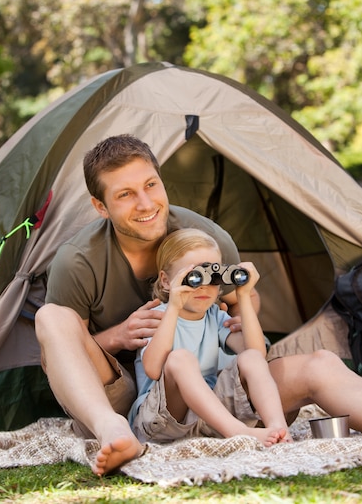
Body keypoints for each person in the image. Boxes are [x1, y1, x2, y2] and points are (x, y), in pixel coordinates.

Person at [35, 133, 362, 477]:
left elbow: (243, 297)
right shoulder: (79, 261)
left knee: (321, 363)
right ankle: (112, 432)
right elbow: (58, 352)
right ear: (101, 206)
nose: (146, 204)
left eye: (151, 185)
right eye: (126, 194)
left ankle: (264, 428)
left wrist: (239, 315)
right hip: (128, 396)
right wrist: (117, 337)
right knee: (52, 317)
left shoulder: (204, 237)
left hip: (218, 388)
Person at [129, 228, 292, 446]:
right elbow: (153, 369)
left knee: (250, 358)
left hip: (210, 418)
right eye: (194, 277)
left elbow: (256, 353)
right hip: (162, 420)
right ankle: (238, 432)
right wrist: (174, 307)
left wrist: (243, 296)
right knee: (180, 359)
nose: (204, 286)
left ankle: (278, 429)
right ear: (167, 281)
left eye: (213, 277)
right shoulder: (156, 317)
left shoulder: (214, 316)